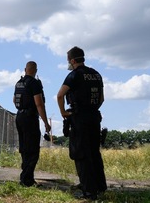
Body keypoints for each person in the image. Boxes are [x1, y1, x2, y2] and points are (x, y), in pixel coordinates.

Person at [57, 46, 107, 200]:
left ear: (72, 60)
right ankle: (100, 185)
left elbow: (60, 95)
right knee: (94, 152)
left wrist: (64, 112)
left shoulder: (74, 75)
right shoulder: (96, 74)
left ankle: (88, 192)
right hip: (94, 116)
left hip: (79, 118)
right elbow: (101, 99)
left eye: (68, 61)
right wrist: (91, 109)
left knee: (81, 154)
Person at [13, 61, 51, 187]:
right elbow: (39, 104)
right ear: (35, 70)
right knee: (33, 149)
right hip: (30, 118)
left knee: (24, 148)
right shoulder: (34, 83)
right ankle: (26, 179)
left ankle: (26, 177)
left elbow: (14, 100)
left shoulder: (18, 83)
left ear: (25, 69)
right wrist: (46, 122)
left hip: (19, 117)